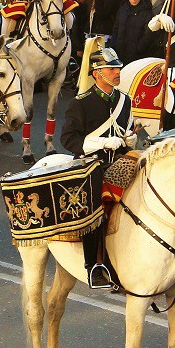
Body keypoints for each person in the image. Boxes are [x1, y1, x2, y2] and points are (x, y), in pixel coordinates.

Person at [60, 39, 135, 289]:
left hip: (121, 162)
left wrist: (129, 140)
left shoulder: (125, 100)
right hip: (92, 165)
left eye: (118, 68)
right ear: (97, 73)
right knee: (95, 204)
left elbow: (127, 134)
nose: (117, 72)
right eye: (112, 68)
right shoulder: (80, 103)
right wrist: (101, 143)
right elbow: (68, 139)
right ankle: (94, 265)